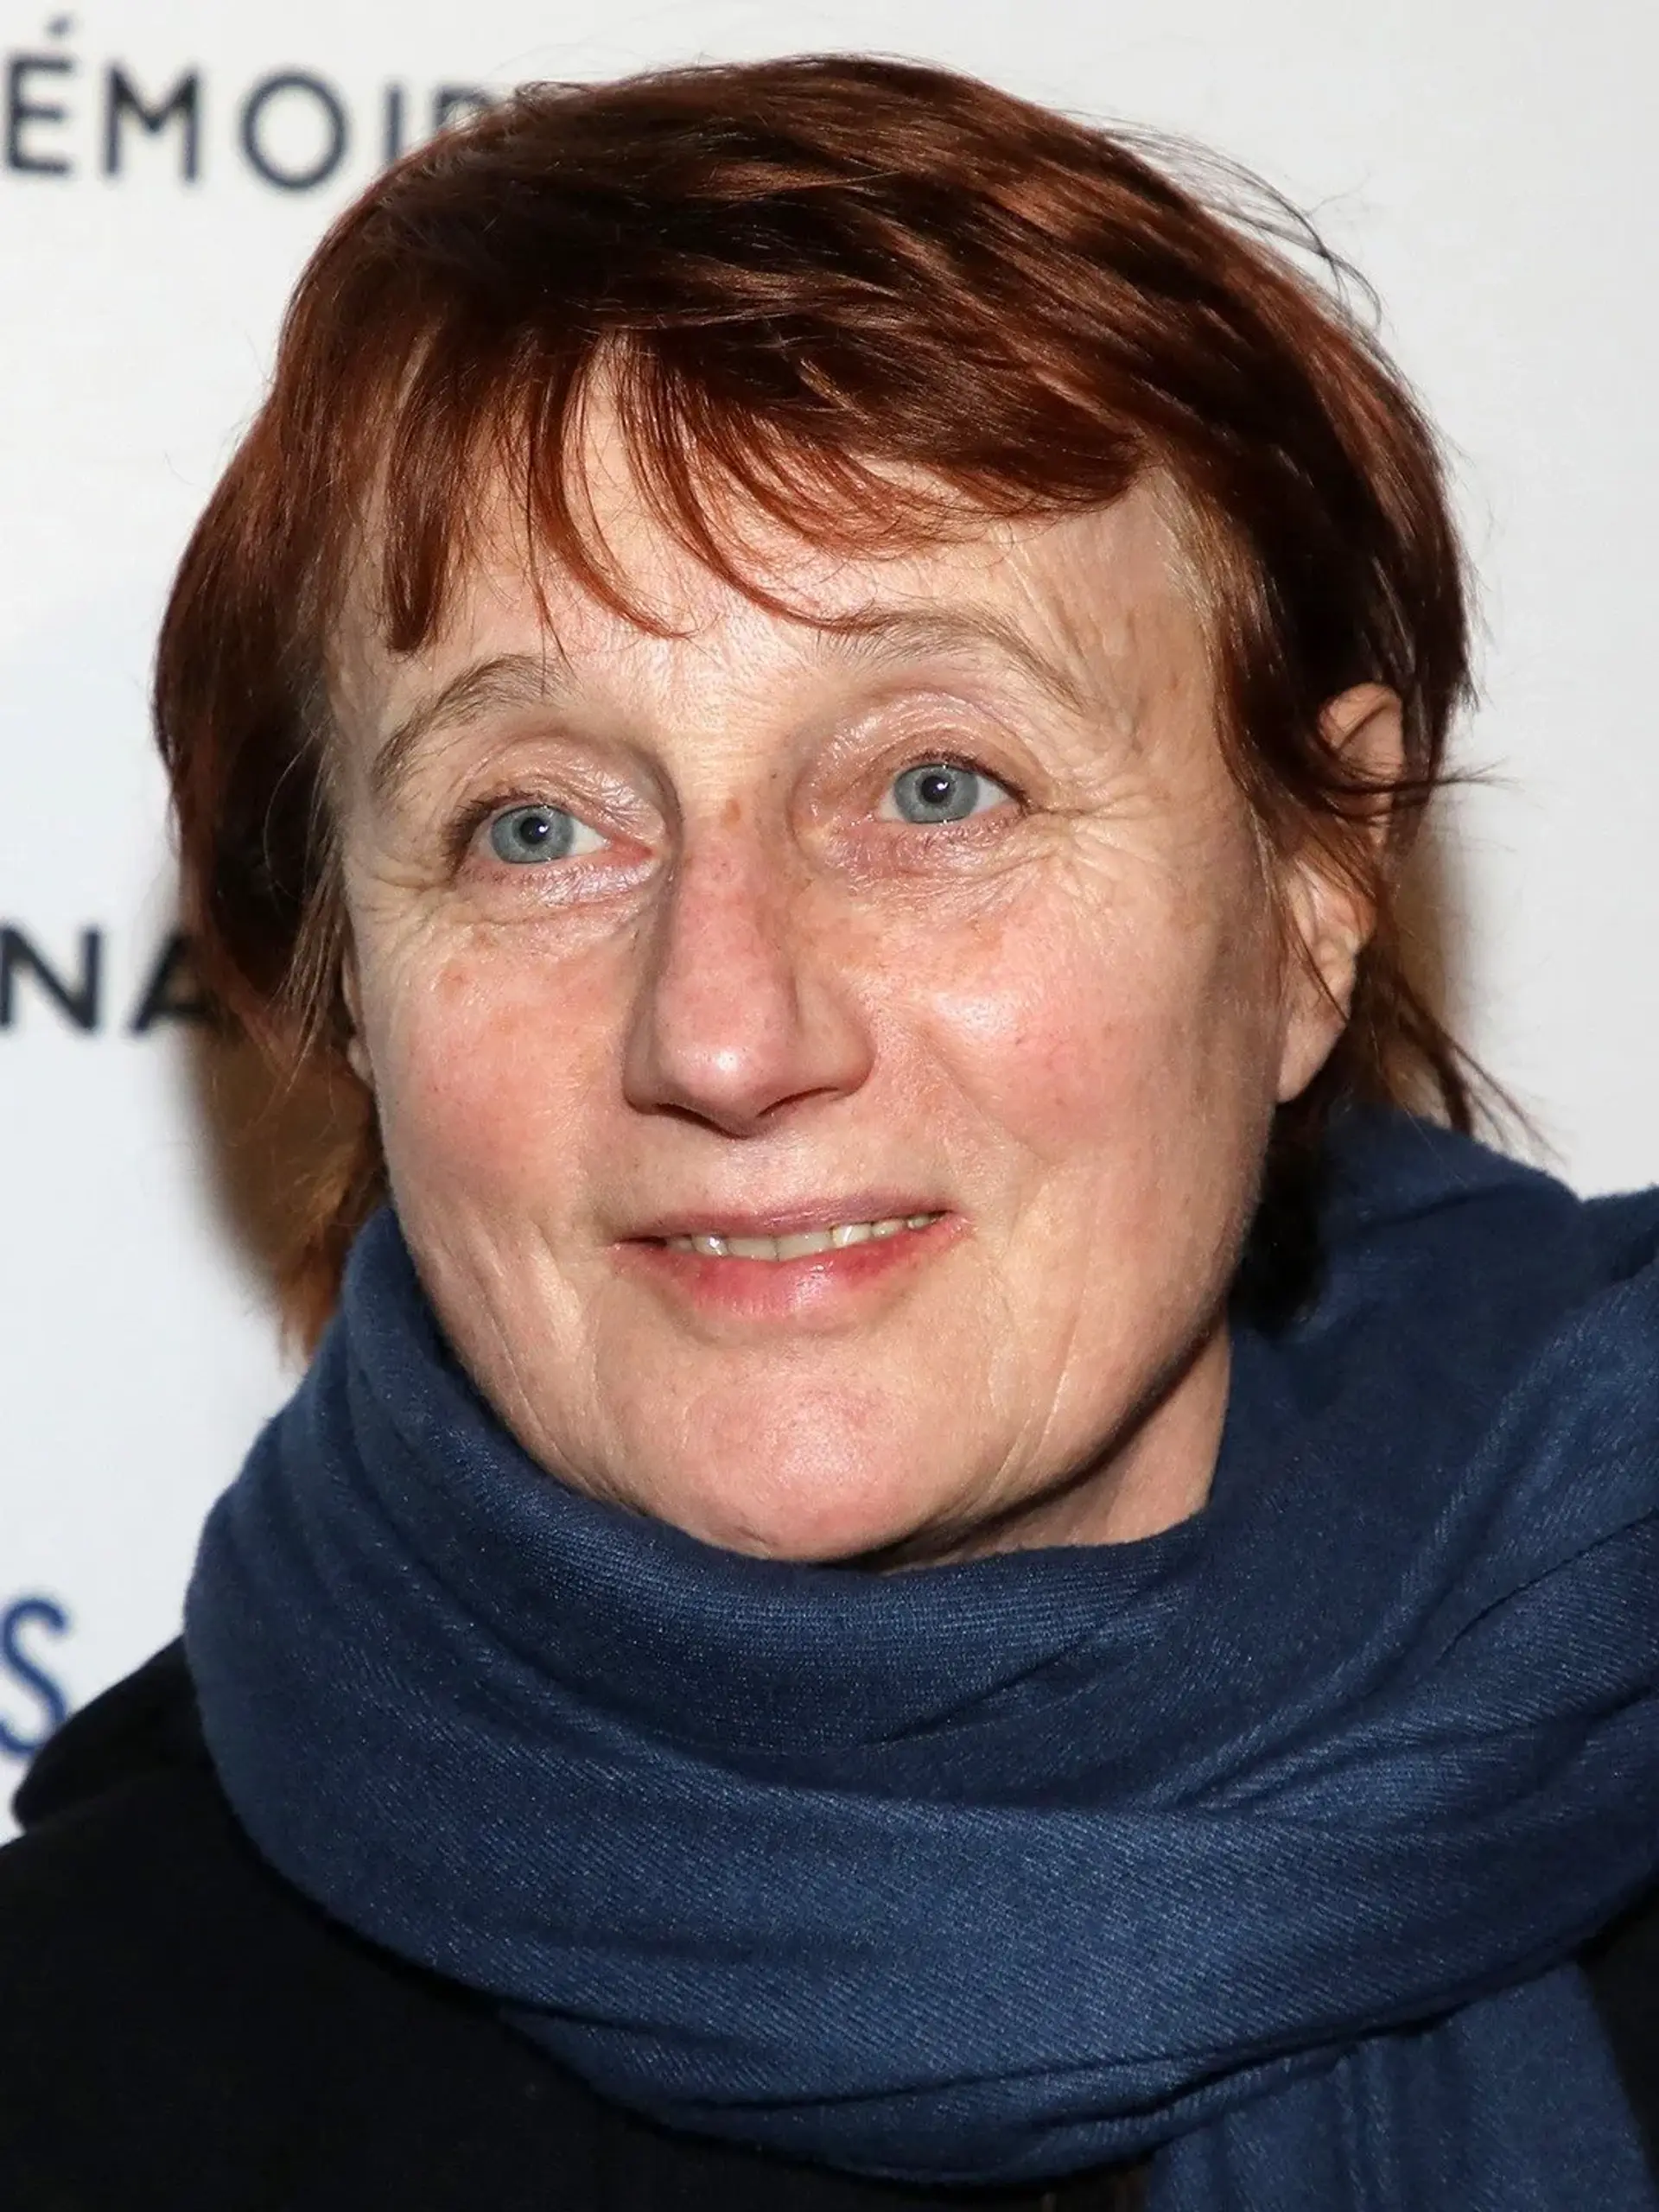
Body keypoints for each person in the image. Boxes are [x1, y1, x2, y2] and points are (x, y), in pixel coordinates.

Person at [2, 51, 1656, 2212]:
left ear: (1313, 898)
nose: (724, 1031)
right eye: (534, 826)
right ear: (344, 981)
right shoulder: (78, 2071)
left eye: (934, 787)